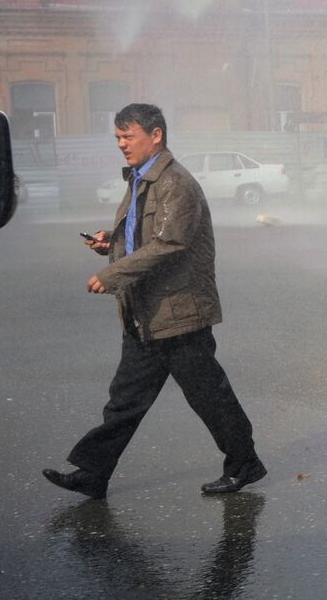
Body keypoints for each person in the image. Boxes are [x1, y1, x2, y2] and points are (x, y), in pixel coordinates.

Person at [43, 103, 265, 498]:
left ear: (156, 134)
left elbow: (170, 244)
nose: (121, 144)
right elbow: (142, 238)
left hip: (179, 314)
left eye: (128, 136)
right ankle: (92, 473)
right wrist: (109, 244)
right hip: (145, 314)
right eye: (117, 137)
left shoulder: (175, 183)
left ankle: (244, 463)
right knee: (125, 401)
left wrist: (111, 275)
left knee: (209, 396)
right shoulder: (140, 180)